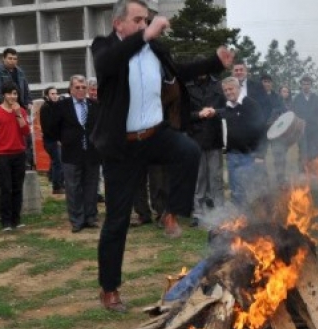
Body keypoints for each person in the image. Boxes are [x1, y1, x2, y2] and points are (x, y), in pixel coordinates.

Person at [90, 0, 234, 312]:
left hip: (154, 134)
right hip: (121, 146)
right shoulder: (104, 46)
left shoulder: (155, 50)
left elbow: (181, 70)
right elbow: (106, 65)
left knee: (188, 151)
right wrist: (143, 36)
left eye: (147, 20)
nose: (145, 25)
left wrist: (214, 62)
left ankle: (171, 212)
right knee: (116, 220)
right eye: (138, 20)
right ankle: (109, 289)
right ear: (120, 24)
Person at [42, 75, 101, 233]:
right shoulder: (62, 105)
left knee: (91, 186)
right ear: (71, 89)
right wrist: (61, 139)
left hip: (92, 153)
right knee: (73, 188)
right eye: (77, 87)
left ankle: (91, 217)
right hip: (71, 153)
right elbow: (52, 127)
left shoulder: (94, 105)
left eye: (83, 87)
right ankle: (77, 220)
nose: (81, 90)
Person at [203, 77, 264, 205]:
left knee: (249, 189)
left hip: (249, 155)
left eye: (231, 89)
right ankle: (239, 219)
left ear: (239, 88)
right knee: (235, 190)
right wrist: (213, 111)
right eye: (225, 90)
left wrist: (260, 155)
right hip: (231, 155)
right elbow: (224, 112)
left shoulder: (251, 104)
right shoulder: (228, 106)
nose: (228, 92)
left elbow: (261, 131)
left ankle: (252, 219)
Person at [0, 81, 31, 231]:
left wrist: (18, 115)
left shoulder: (21, 111)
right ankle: (6, 221)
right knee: (6, 188)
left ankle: (16, 219)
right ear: (4, 94)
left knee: (18, 188)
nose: (12, 96)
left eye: (15, 93)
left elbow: (26, 132)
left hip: (19, 154)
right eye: (10, 93)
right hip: (3, 155)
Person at [187, 72, 225, 226]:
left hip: (214, 139)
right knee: (199, 179)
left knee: (216, 178)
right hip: (196, 139)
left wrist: (215, 112)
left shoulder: (218, 85)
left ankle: (220, 212)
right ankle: (198, 213)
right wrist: (199, 114)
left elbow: (227, 108)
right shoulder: (188, 87)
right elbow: (184, 114)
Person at [0, 48, 34, 170]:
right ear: (3, 59)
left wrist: (28, 102)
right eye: (10, 58)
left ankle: (26, 161)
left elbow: (26, 88)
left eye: (15, 58)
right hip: (6, 108)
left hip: (20, 108)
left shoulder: (20, 71)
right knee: (8, 135)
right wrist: (5, 107)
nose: (12, 61)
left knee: (25, 135)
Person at [292, 75, 318, 172]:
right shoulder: (297, 99)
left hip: (315, 129)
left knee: (314, 151)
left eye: (308, 84)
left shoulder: (316, 98)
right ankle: (302, 173)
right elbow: (295, 113)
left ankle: (313, 172)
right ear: (301, 85)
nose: (306, 86)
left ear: (311, 85)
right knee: (303, 151)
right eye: (304, 84)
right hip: (302, 129)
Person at [38, 86, 65, 194]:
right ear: (47, 96)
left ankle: (56, 181)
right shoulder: (46, 108)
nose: (55, 96)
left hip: (54, 140)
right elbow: (48, 127)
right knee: (58, 163)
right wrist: (58, 138)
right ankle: (57, 187)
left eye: (56, 93)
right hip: (51, 140)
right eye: (52, 94)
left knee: (56, 162)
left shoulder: (54, 106)